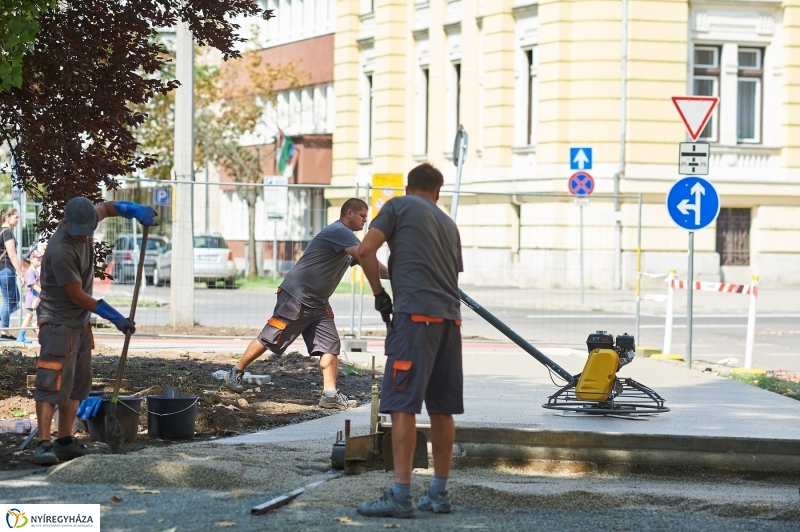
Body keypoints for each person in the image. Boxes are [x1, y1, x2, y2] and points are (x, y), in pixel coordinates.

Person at [356, 163, 464, 518]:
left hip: (414, 320)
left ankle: (401, 495)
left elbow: (365, 251)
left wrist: (378, 294)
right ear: (437, 192)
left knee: (402, 403)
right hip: (450, 322)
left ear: (409, 187)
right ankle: (439, 493)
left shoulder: (398, 206)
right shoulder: (449, 224)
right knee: (442, 408)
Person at [223, 198, 389, 409]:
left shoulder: (350, 242)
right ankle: (235, 372)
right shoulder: (339, 232)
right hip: (296, 296)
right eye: (362, 216)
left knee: (330, 345)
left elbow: (370, 263)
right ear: (349, 213)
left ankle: (329, 395)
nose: (365, 221)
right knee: (270, 337)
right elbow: (365, 255)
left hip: (318, 303)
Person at [33, 197, 158, 465]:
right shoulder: (60, 251)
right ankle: (43, 444)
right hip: (58, 323)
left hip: (78, 324)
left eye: (87, 234)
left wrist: (134, 210)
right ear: (65, 223)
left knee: (79, 385)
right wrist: (115, 317)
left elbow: (108, 207)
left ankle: (65, 441)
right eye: (79, 235)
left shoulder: (87, 218)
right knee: (51, 383)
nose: (83, 238)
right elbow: (77, 295)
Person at [0, 208, 23, 340]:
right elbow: (12, 255)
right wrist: (21, 273)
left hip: (2, 270)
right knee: (9, 301)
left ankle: (4, 326)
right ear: (7, 217)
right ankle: (5, 332)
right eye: (16, 217)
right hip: (6, 270)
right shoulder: (7, 233)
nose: (18, 220)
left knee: (15, 299)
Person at [16, 249, 43, 344]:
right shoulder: (30, 272)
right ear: (31, 259)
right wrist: (43, 291)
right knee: (29, 316)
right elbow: (33, 285)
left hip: (36, 299)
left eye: (40, 259)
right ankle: (21, 335)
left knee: (31, 316)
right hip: (31, 299)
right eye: (37, 259)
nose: (39, 261)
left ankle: (35, 328)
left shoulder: (35, 271)